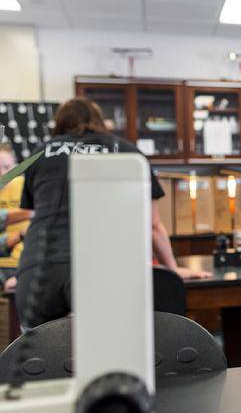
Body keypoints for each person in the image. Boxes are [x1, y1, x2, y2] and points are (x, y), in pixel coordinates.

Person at [15, 97, 210, 328]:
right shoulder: (123, 150)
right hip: (99, 267)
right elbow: (153, 225)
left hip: (39, 267)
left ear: (59, 123)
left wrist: (23, 272)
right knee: (104, 348)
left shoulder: (41, 154)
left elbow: (39, 219)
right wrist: (173, 268)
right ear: (99, 121)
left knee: (38, 353)